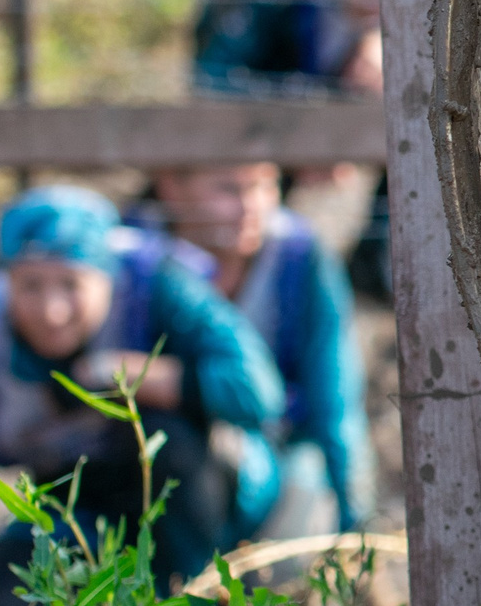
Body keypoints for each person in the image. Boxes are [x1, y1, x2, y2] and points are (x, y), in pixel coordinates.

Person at [0, 187, 285, 601]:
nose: (51, 311)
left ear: (105, 278)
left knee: (166, 446)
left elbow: (261, 393)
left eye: (71, 285)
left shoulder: (157, 285)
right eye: (30, 286)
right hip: (79, 504)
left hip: (202, 498)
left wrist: (148, 378)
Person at [144, 163, 374, 539]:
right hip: (168, 459)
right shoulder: (137, 259)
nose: (250, 206)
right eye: (228, 189)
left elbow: (334, 403)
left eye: (263, 186)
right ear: (169, 186)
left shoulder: (298, 257)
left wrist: (357, 518)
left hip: (280, 453)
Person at [192, 0, 390, 294]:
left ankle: (380, 261)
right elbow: (216, 80)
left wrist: (378, 38)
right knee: (241, 181)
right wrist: (309, 133)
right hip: (268, 79)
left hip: (327, 59)